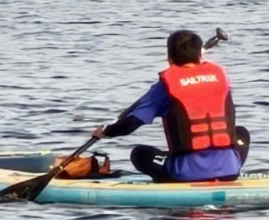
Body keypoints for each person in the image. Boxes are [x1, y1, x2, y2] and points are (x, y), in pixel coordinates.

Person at [96, 29, 250, 183]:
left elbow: (130, 124)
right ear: (200, 56)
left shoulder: (164, 88)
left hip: (185, 174)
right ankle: (226, 167)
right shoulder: (220, 79)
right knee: (242, 133)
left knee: (139, 153)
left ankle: (177, 172)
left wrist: (107, 131)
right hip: (229, 170)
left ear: (169, 58)